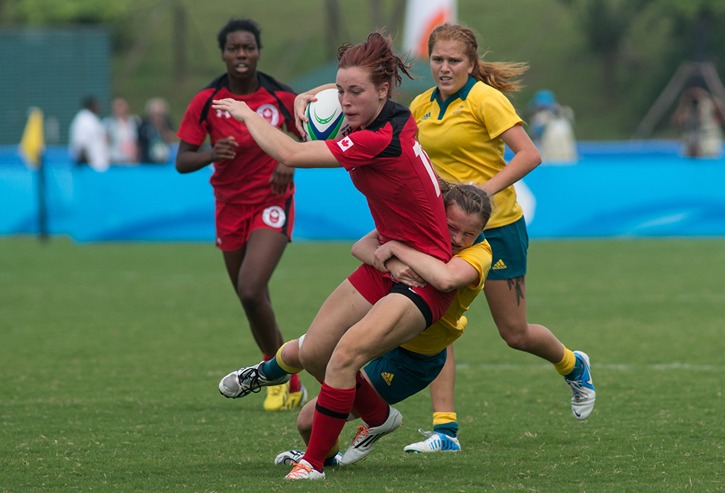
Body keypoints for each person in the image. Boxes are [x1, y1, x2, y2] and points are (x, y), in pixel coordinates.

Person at [212, 32, 454, 480]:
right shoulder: (391, 113)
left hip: (420, 275)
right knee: (316, 352)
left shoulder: (377, 139)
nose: (343, 101)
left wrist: (246, 113)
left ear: (383, 90)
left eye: (354, 92)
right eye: (340, 91)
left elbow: (288, 151)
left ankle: (313, 463)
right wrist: (311, 95)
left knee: (343, 358)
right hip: (388, 260)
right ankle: (380, 418)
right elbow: (339, 92)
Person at [404, 23, 595, 454]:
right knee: (434, 324)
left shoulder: (486, 99)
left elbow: (530, 154)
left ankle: (572, 364)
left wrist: (478, 195)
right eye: (438, 59)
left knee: (515, 333)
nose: (445, 67)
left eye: (454, 60)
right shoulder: (420, 106)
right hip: (447, 232)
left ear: (470, 64)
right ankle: (444, 431)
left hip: (499, 227)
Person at [219, 183, 492, 466]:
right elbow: (361, 246)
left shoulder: (478, 255)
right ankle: (269, 376)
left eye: (469, 233)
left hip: (411, 359)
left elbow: (445, 278)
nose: (458, 239)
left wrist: (395, 248)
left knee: (307, 422)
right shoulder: (423, 226)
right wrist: (393, 263)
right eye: (452, 227)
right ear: (438, 216)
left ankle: (326, 455)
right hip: (379, 323)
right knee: (309, 349)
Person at [175, 18, 306, 412]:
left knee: (251, 288)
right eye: (234, 48)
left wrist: (290, 158)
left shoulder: (281, 95)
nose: (242, 54)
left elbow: (312, 131)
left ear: (258, 51)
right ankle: (288, 377)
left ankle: (275, 377)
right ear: (224, 54)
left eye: (248, 47)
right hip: (229, 207)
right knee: (251, 300)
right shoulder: (207, 100)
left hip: (272, 200)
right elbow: (182, 160)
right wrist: (210, 154)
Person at [671, 86, 724, 158]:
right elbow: (676, 121)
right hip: (690, 139)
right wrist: (684, 104)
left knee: (709, 156)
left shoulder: (709, 104)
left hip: (708, 138)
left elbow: (719, 118)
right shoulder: (687, 107)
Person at [527, 89, 578, 163]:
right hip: (568, 161)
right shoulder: (564, 118)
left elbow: (534, 134)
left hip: (551, 161)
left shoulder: (541, 118)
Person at [69, 95, 109, 172]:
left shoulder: (92, 119)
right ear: (91, 105)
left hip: (97, 165)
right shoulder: (83, 120)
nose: (99, 107)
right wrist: (85, 164)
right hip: (89, 166)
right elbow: (81, 143)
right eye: (97, 105)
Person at [139, 97, 178, 164]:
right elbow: (139, 143)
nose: (158, 117)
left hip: (165, 161)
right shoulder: (143, 125)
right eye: (156, 114)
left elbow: (172, 139)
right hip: (147, 161)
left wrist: (162, 128)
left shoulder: (167, 123)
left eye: (160, 114)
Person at [103, 97, 140, 165]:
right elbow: (105, 142)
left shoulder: (134, 121)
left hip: (130, 160)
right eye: (116, 106)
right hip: (115, 159)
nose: (119, 108)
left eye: (121, 105)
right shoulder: (108, 123)